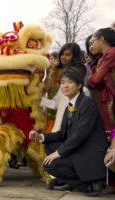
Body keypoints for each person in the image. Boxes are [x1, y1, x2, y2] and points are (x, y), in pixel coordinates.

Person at [30, 69, 108, 197]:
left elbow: (81, 134)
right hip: (78, 150)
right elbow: (62, 134)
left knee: (53, 159)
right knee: (48, 159)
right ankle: (83, 183)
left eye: (70, 82)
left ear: (79, 85)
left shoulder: (87, 103)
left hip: (89, 152)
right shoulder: (70, 105)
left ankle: (95, 181)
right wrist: (40, 136)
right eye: (62, 82)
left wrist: (58, 153)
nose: (65, 86)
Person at [44, 43, 83, 133]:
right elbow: (46, 88)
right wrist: (52, 69)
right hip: (51, 108)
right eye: (62, 54)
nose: (63, 57)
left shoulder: (78, 70)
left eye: (67, 55)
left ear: (74, 56)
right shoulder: (54, 68)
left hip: (66, 110)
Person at [41, 63, 90, 132]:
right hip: (58, 129)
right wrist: (38, 99)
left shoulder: (84, 91)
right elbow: (54, 104)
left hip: (73, 132)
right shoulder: (63, 89)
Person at [88, 27, 115, 139]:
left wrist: (90, 79)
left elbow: (95, 80)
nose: (90, 47)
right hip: (102, 99)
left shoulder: (111, 53)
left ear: (102, 39)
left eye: (92, 42)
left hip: (110, 99)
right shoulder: (102, 57)